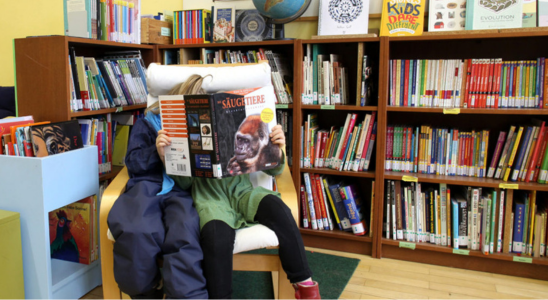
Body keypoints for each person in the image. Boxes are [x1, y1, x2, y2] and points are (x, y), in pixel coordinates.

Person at [156, 77, 321, 299]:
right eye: (239, 141)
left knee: (279, 208)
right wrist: (166, 157)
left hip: (244, 193)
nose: (241, 146)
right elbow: (184, 183)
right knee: (216, 237)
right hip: (211, 201)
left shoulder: (251, 138)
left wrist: (278, 150)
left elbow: (275, 170)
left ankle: (306, 286)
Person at [107, 75, 209, 299]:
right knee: (136, 228)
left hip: (181, 190)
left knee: (185, 227)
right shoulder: (146, 123)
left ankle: (187, 296)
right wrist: (157, 151)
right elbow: (132, 163)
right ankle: (147, 291)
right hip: (146, 186)